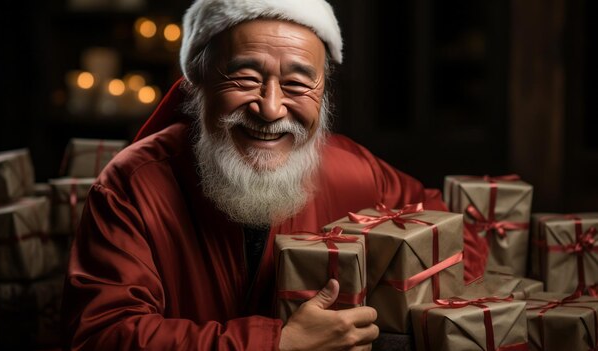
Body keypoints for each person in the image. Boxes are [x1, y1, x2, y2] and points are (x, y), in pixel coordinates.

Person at [61, 0, 447, 349]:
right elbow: (103, 335)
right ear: (197, 84)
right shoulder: (130, 186)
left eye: (297, 84)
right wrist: (278, 344)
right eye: (245, 78)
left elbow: (445, 234)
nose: (271, 108)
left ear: (324, 93)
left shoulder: (354, 170)